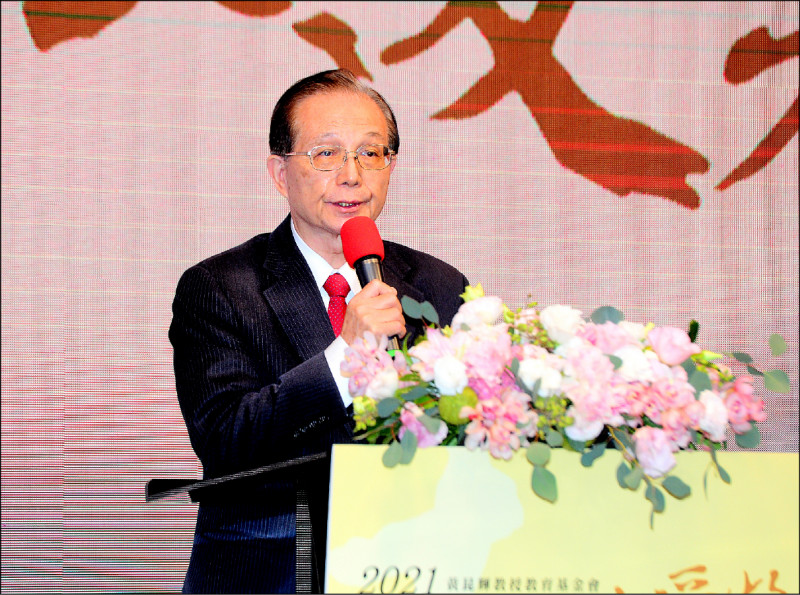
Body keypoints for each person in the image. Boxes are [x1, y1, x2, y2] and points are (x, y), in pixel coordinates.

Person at [169, 69, 469, 593]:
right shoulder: (220, 287)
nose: (352, 175)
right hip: (273, 573)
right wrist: (345, 356)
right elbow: (224, 440)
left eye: (371, 153)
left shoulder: (439, 286)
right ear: (280, 173)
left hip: (415, 566)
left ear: (391, 167)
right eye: (326, 153)